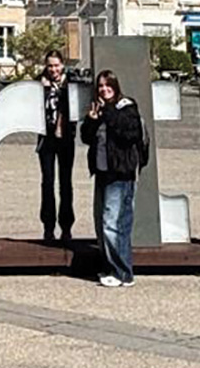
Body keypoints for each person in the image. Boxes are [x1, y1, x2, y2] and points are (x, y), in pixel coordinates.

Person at [79, 69, 143, 289]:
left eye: (108, 86)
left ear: (115, 87)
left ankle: (122, 272)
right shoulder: (99, 108)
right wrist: (91, 120)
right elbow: (86, 137)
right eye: (101, 86)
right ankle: (114, 269)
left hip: (121, 173)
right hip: (103, 171)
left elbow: (129, 133)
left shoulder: (126, 106)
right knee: (104, 222)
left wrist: (106, 112)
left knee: (113, 223)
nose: (104, 90)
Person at [35, 49, 76, 244]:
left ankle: (66, 226)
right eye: (50, 66)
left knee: (65, 183)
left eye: (57, 65)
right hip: (46, 139)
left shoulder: (70, 83)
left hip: (66, 138)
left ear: (63, 65)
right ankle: (48, 226)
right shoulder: (38, 83)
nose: (53, 69)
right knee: (48, 182)